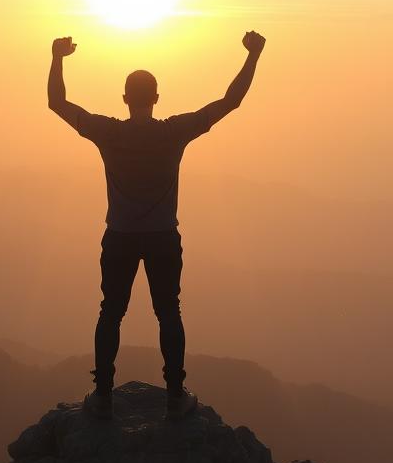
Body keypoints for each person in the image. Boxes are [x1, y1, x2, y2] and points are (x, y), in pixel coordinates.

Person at [47, 30, 266, 420]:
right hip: (164, 237)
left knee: (110, 312)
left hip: (119, 237)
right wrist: (253, 55)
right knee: (169, 313)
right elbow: (230, 102)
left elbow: (57, 103)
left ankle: (102, 396)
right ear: (157, 98)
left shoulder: (109, 133)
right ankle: (175, 395)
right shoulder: (173, 132)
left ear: (126, 99)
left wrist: (58, 58)